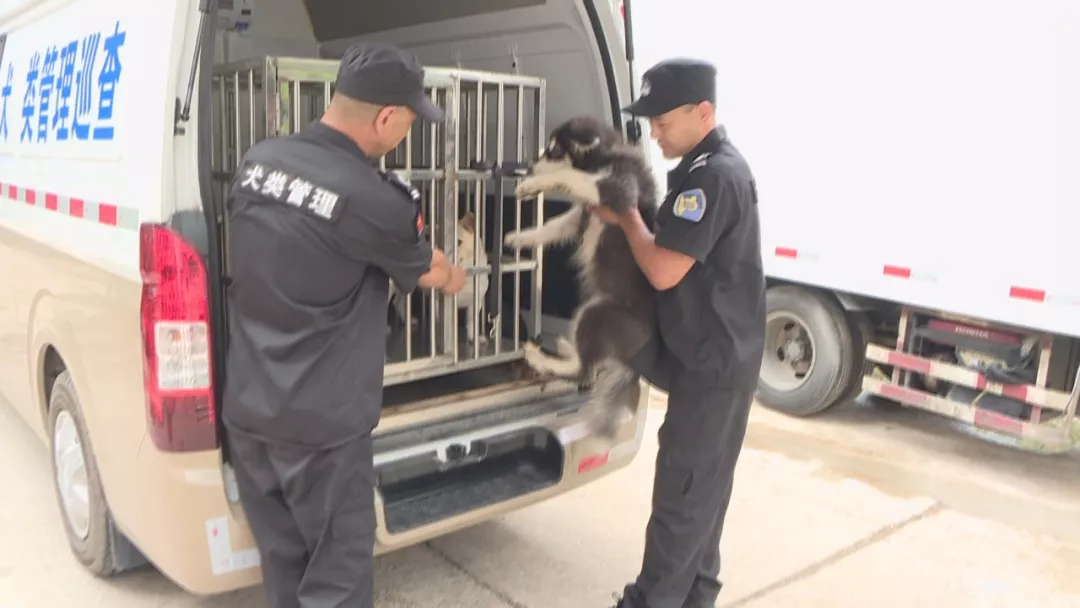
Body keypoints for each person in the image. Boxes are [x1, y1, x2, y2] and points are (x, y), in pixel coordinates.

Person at [220, 41, 467, 608]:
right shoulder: (373, 200)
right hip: (322, 434)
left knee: (285, 571)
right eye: (409, 120)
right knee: (336, 581)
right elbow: (426, 268)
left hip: (251, 414)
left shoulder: (258, 162)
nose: (407, 131)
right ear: (385, 117)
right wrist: (456, 276)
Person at [593, 58, 767, 608]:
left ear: (703, 113)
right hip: (716, 363)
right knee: (702, 501)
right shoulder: (706, 169)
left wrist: (627, 218)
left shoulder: (712, 177)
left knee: (682, 501)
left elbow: (664, 269)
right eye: (651, 123)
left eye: (664, 122)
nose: (655, 134)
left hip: (713, 370)